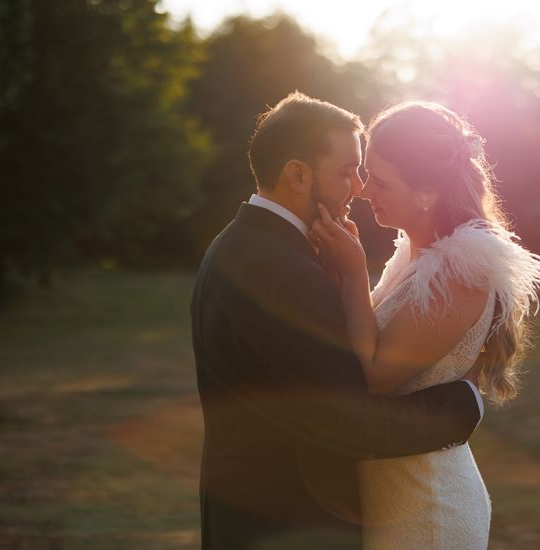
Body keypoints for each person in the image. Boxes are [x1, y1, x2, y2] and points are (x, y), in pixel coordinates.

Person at [190, 92, 485, 549]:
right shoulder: (285, 271)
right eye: (347, 171)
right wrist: (462, 405)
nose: (358, 188)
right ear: (298, 174)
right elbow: (351, 424)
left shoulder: (238, 245)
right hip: (287, 522)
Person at [311, 101, 540, 549]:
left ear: (427, 192)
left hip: (428, 508)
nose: (365, 191)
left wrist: (351, 272)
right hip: (393, 494)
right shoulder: (412, 258)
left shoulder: (461, 272)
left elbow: (376, 376)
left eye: (380, 181)